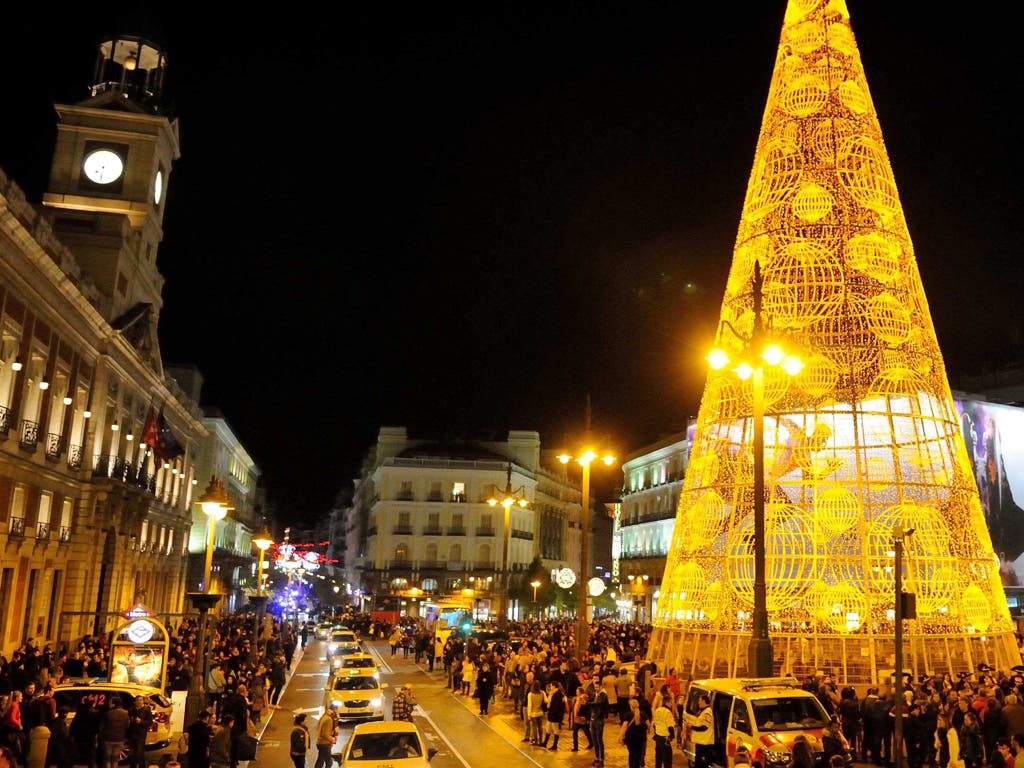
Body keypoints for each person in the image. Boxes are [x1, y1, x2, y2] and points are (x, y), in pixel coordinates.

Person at [98, 694, 130, 768]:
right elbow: (127, 726)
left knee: (107, 759)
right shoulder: (125, 714)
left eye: (110, 702)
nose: (109, 704)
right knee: (115, 759)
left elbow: (102, 727)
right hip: (119, 740)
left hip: (108, 740)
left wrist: (101, 736)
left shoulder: (108, 714)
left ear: (114, 704)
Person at [619, 697, 650, 768]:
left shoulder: (627, 715)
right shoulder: (643, 714)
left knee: (631, 754)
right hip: (641, 738)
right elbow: (648, 725)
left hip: (630, 738)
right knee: (638, 755)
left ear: (630, 706)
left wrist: (621, 736)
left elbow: (624, 726)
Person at [126, 694, 153, 768]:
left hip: (141, 734)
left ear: (143, 701)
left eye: (141, 700)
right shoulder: (131, 710)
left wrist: (141, 721)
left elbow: (149, 722)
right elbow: (127, 720)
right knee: (132, 752)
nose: (139, 702)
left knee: (139, 752)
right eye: (137, 700)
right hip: (131, 734)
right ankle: (133, 766)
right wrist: (130, 721)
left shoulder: (147, 710)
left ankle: (142, 766)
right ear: (135, 702)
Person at [590, 674, 610, 768]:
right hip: (593, 719)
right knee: (594, 740)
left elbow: (598, 705)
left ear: (601, 686)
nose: (596, 688)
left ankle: (601, 759)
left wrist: (587, 704)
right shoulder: (597, 694)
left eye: (597, 687)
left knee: (599, 739)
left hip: (599, 720)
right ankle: (596, 757)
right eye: (595, 687)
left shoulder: (603, 695)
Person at [690, 693, 715, 768]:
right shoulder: (703, 711)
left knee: (702, 764)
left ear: (704, 701)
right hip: (701, 742)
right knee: (699, 764)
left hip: (705, 743)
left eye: (699, 700)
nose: (698, 702)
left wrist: (692, 727)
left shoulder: (707, 712)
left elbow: (704, 727)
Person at [652, 691, 675, 768]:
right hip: (665, 738)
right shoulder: (667, 712)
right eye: (671, 702)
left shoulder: (657, 710)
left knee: (658, 758)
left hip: (658, 737)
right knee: (667, 759)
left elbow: (654, 724)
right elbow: (670, 727)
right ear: (667, 702)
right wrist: (672, 737)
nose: (672, 704)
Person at [314, 701, 339, 768]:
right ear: (335, 709)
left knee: (320, 760)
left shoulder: (325, 716)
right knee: (329, 762)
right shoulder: (329, 719)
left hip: (322, 743)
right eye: (337, 709)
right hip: (324, 744)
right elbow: (325, 734)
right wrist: (332, 740)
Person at [544, 681, 567, 750]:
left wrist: (552, 713)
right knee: (548, 728)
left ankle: (555, 745)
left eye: (551, 686)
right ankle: (545, 743)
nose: (550, 687)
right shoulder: (553, 694)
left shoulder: (557, 694)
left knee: (555, 730)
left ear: (554, 686)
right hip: (551, 715)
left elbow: (556, 706)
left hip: (554, 716)